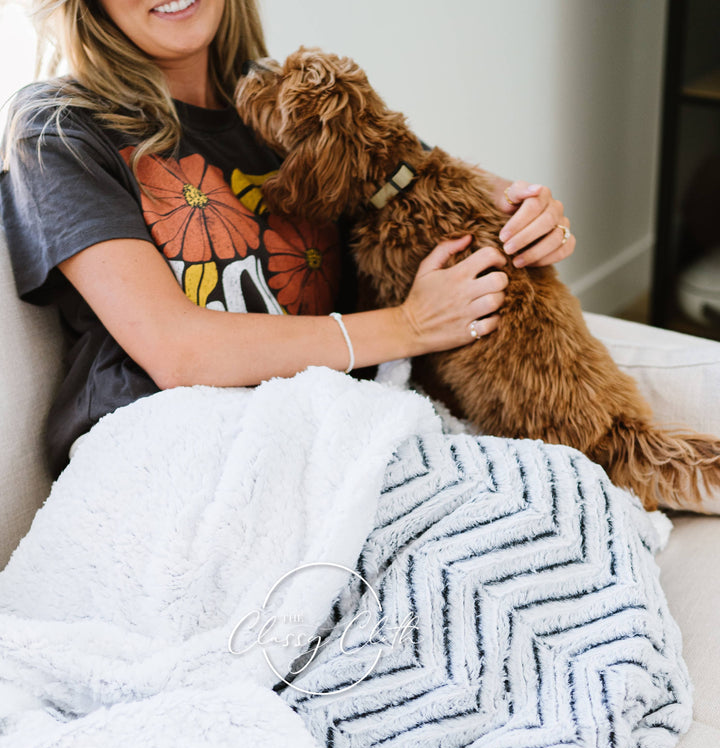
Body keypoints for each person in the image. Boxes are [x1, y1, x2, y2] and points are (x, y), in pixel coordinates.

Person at [0, 0, 576, 479]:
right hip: (166, 449)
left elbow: (420, 177)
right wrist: (410, 325)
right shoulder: (61, 126)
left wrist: (528, 214)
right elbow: (176, 350)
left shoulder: (287, 104)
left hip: (331, 430)